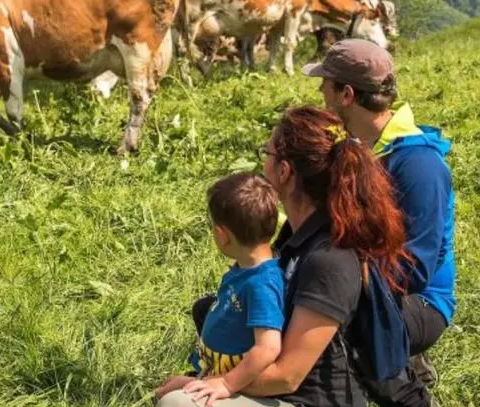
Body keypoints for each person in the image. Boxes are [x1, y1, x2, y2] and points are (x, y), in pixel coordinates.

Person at [158, 106, 412, 407]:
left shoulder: (328, 258)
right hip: (283, 390)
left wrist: (207, 382)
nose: (261, 163)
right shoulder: (296, 233)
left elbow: (287, 376)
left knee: (178, 403)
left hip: (307, 400)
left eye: (267, 153)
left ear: (284, 172)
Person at [303, 39, 455, 406]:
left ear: (347, 94)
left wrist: (340, 289)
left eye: (325, 82)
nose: (320, 91)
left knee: (326, 326)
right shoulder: (353, 147)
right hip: (365, 286)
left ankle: (406, 389)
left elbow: (414, 269)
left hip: (421, 303)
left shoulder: (418, 165)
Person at [155, 172, 285, 406]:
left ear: (222, 235)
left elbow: (268, 347)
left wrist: (227, 384)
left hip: (238, 386)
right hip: (215, 374)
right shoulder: (247, 270)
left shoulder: (261, 284)